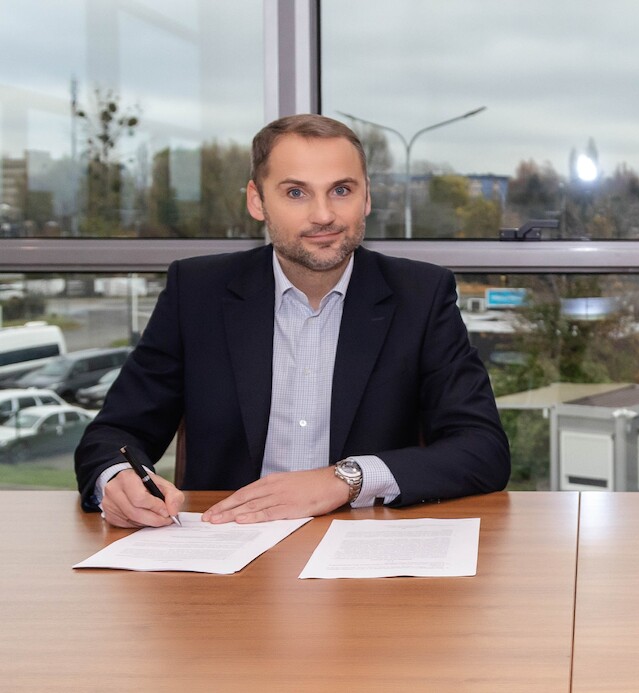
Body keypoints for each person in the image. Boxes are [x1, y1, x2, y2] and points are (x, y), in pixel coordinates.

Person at [75, 114, 510, 528]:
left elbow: (482, 449)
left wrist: (345, 479)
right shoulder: (198, 292)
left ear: (367, 198)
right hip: (227, 554)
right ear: (257, 200)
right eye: (296, 193)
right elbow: (115, 432)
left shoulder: (421, 295)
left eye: (341, 190)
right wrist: (116, 479)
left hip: (364, 554)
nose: (323, 215)